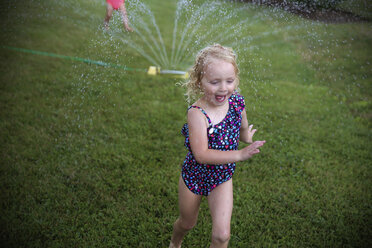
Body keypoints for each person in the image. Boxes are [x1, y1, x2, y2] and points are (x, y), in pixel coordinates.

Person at [169, 44, 266, 248]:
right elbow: (202, 154)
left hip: (222, 176)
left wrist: (246, 136)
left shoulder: (237, 102)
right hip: (195, 175)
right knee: (187, 223)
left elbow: (241, 128)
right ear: (199, 82)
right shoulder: (197, 113)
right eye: (215, 82)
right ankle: (175, 242)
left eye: (229, 81)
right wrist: (239, 154)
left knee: (222, 236)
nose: (223, 88)